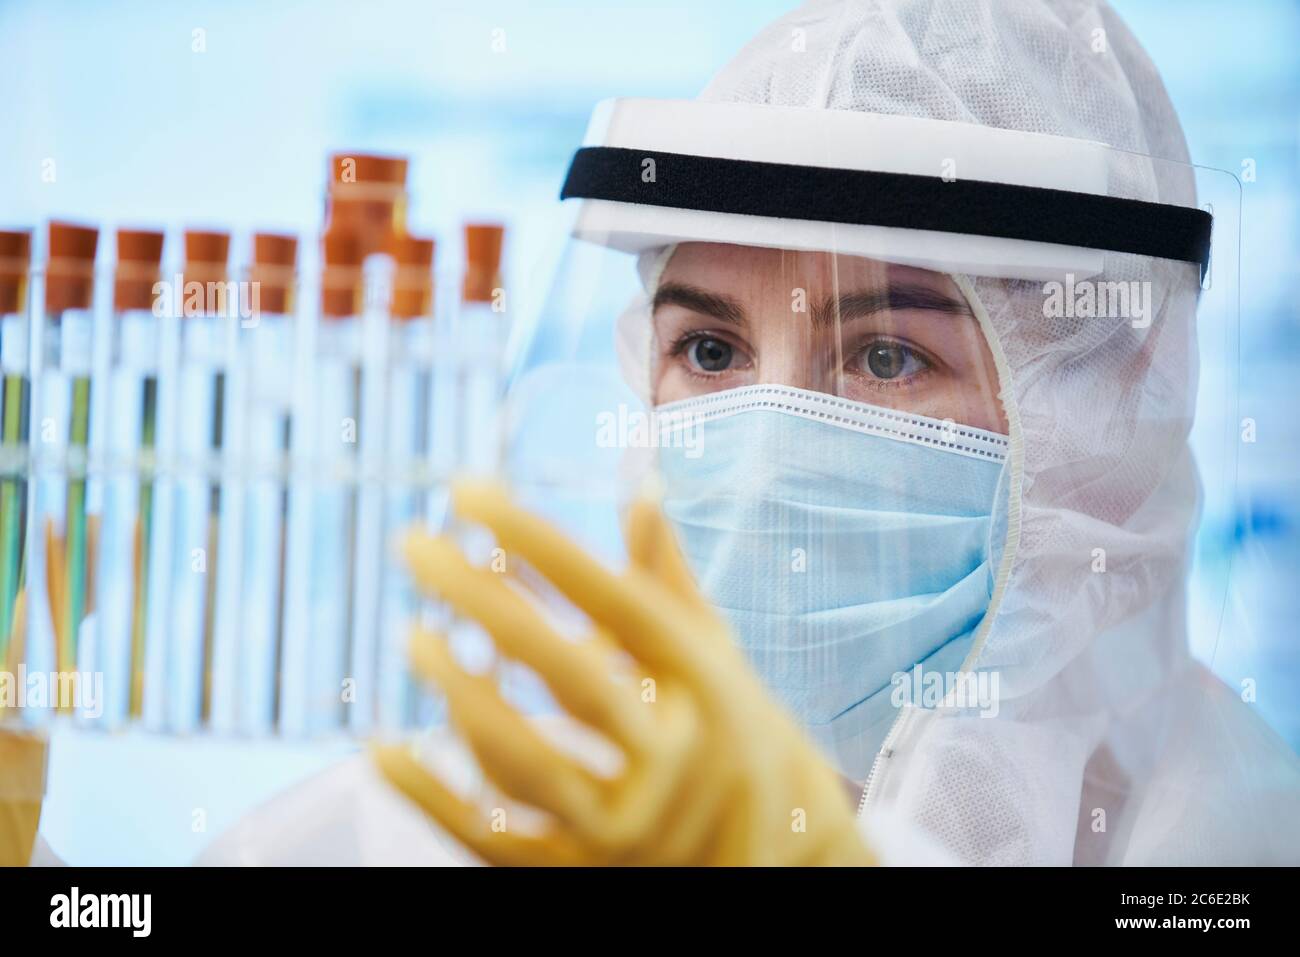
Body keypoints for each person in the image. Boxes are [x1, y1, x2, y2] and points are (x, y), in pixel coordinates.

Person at [201, 0, 1300, 866]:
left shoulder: (1224, 846)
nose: (767, 446)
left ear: (1090, 427)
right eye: (711, 354)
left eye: (885, 358)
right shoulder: (502, 810)